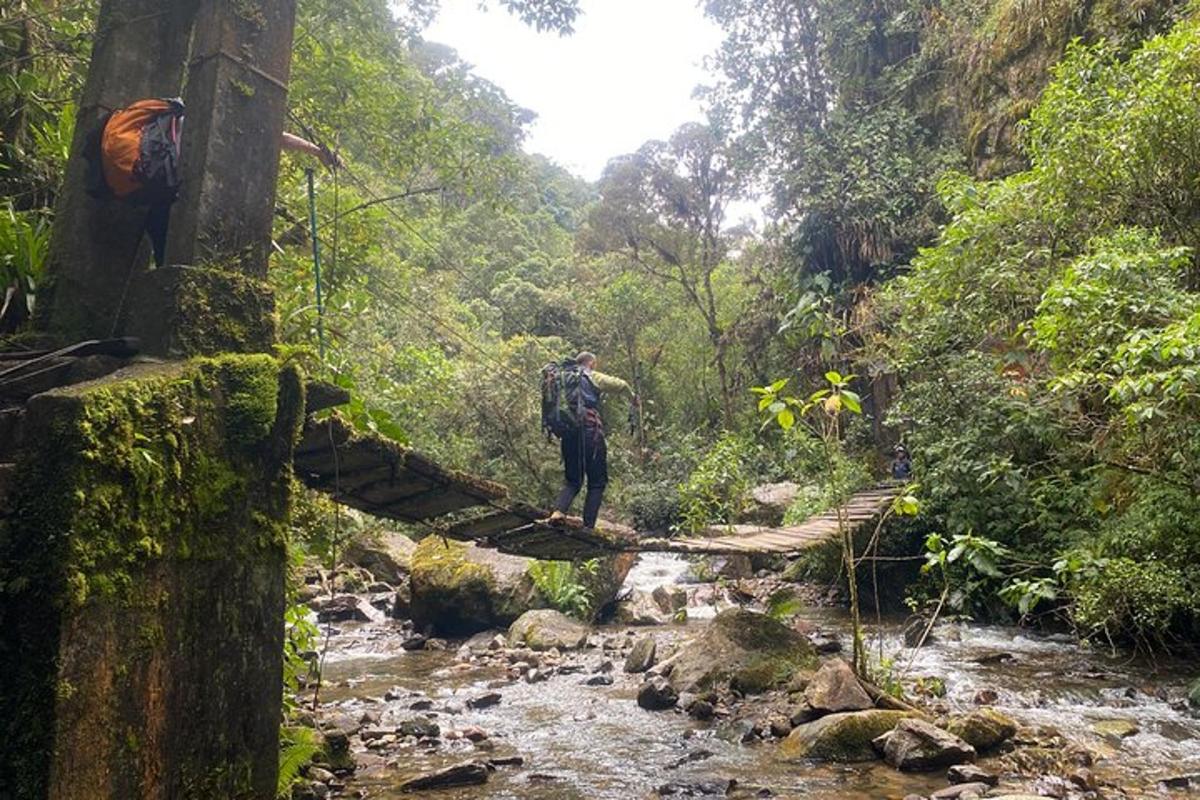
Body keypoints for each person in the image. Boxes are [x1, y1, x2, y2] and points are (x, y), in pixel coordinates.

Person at [547, 351, 636, 530]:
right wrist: (633, 398)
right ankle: (588, 527)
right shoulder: (590, 375)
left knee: (573, 481)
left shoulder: (562, 378)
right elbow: (621, 385)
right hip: (590, 431)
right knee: (597, 481)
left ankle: (558, 511)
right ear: (591, 363)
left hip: (568, 433)